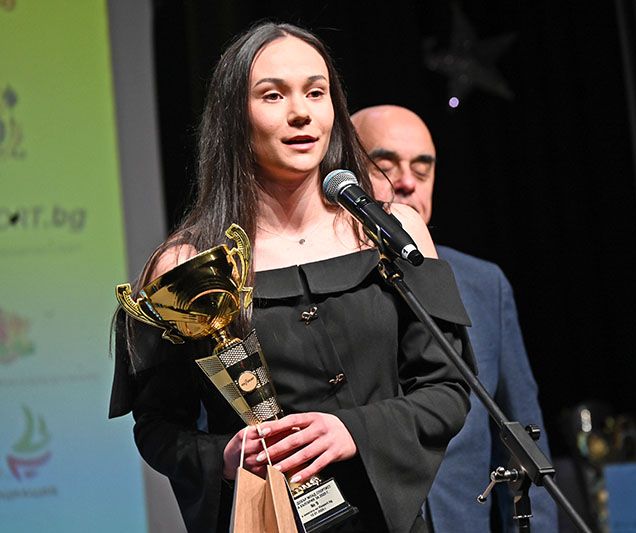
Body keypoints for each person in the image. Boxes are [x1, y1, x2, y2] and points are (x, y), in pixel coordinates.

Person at [108, 23, 475, 533]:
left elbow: (449, 388)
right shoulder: (186, 264)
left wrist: (353, 432)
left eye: (316, 92)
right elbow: (157, 427)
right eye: (273, 95)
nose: (301, 112)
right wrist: (224, 456)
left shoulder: (392, 232)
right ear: (234, 116)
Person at [351, 105, 559, 533]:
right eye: (385, 166)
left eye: (422, 169)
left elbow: (522, 437)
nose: (407, 182)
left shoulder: (483, 284)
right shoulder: (313, 287)